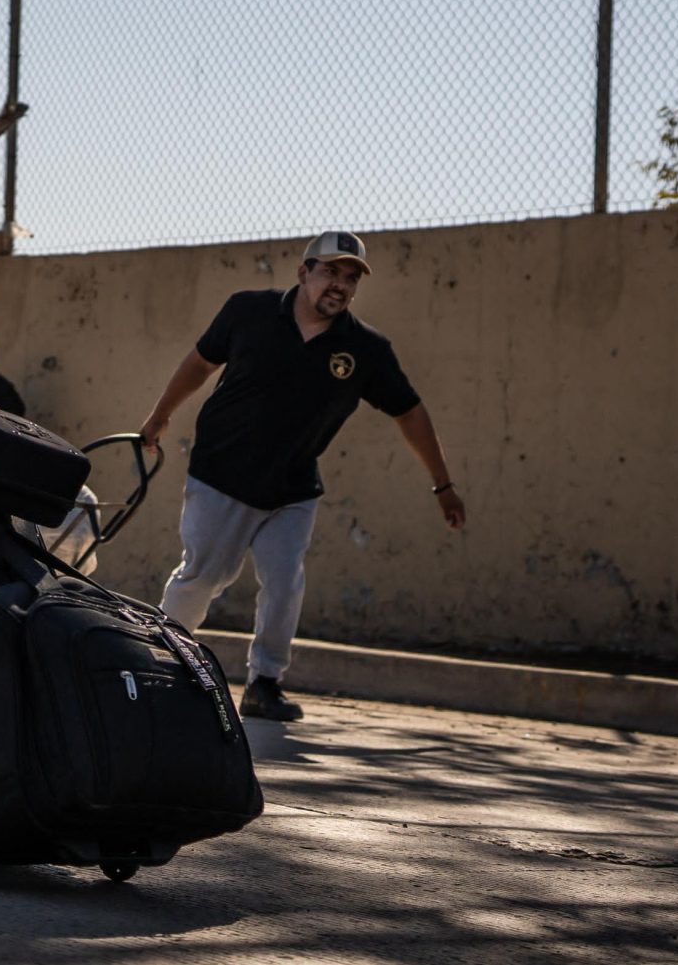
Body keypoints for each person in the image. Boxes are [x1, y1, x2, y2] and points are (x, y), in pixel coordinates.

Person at [137, 231, 466, 722]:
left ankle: (264, 682)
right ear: (304, 272)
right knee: (205, 575)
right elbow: (201, 362)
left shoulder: (365, 349)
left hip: (292, 488)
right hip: (221, 473)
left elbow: (410, 412)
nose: (340, 284)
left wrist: (443, 483)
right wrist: (161, 415)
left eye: (351, 277)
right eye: (331, 271)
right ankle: (163, 661)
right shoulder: (248, 311)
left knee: (285, 582)